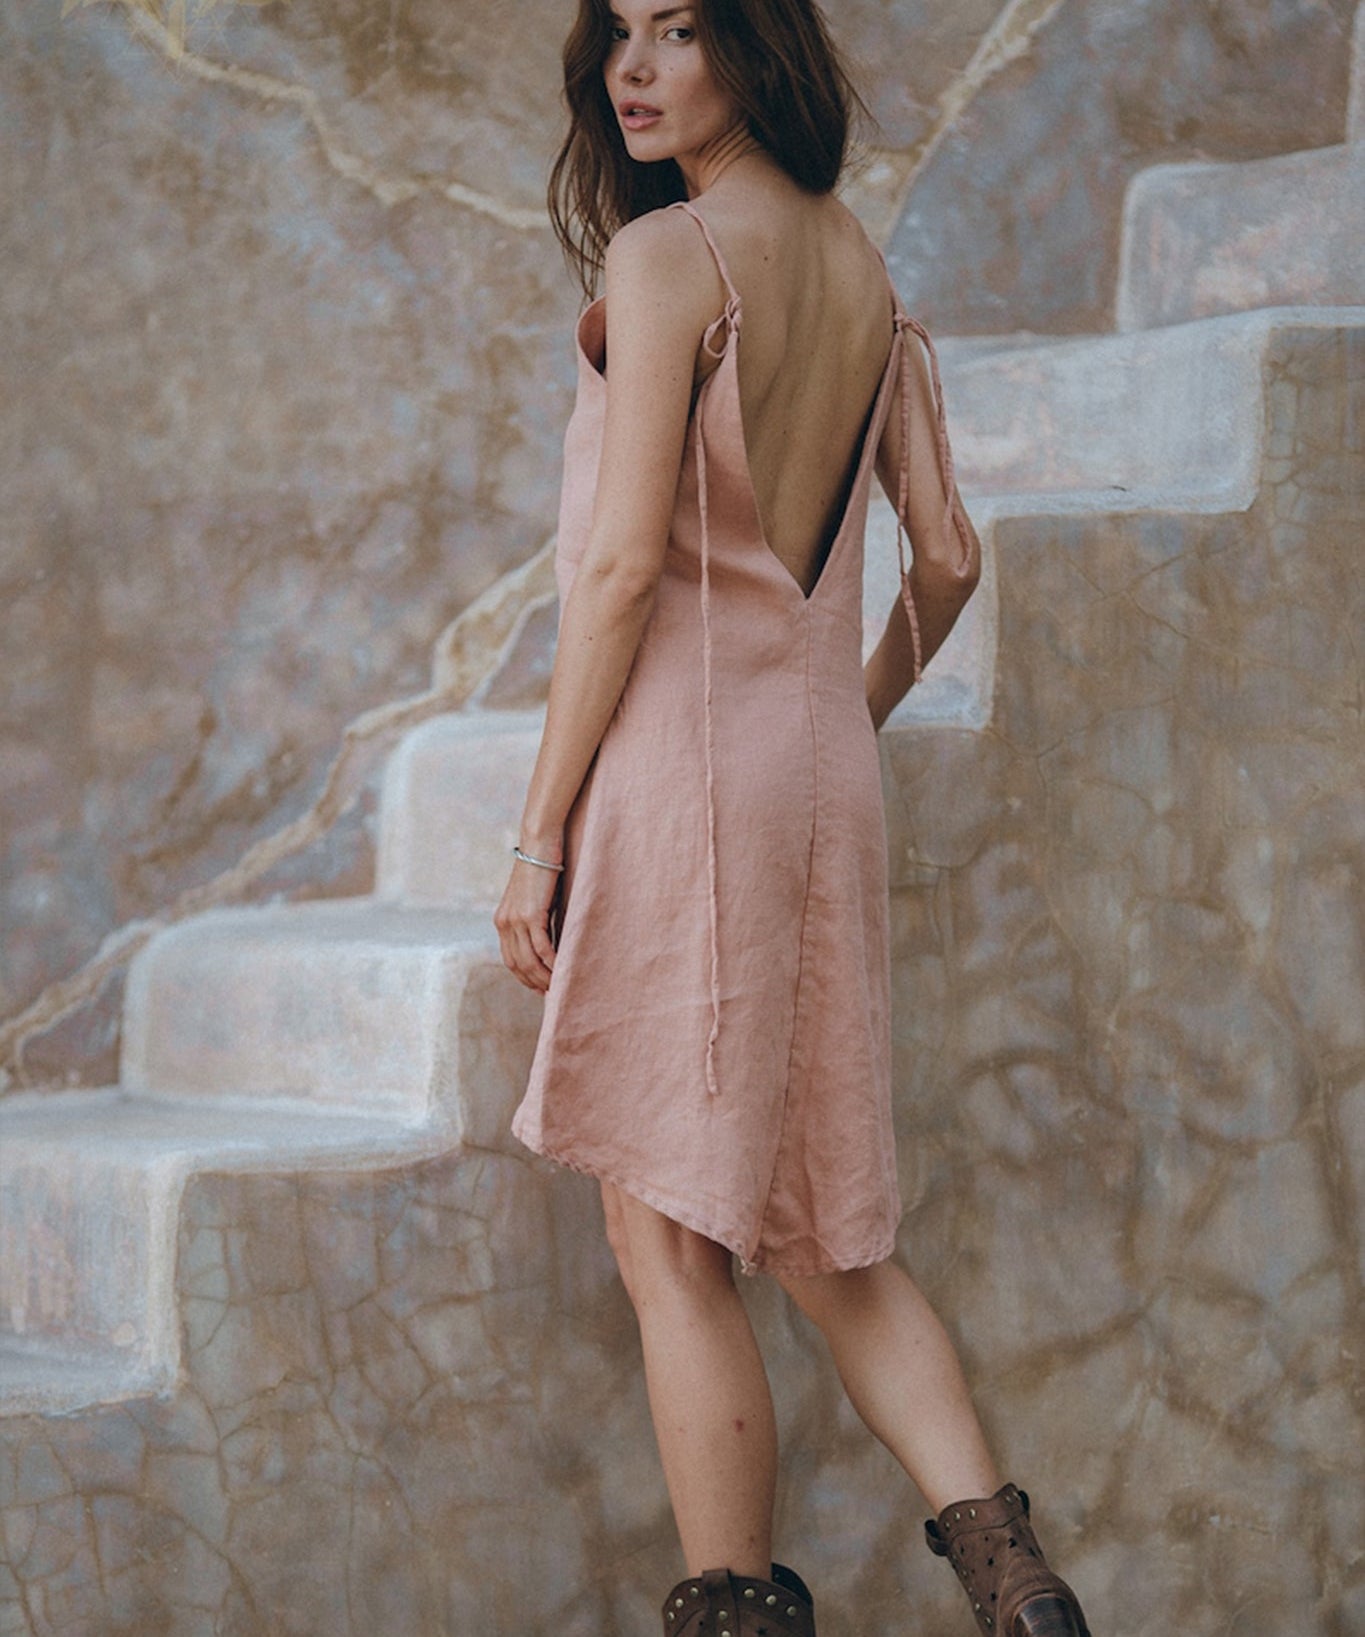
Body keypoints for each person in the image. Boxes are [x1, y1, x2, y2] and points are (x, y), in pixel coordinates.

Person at [495, 3, 1093, 1633]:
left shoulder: (673, 258)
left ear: (751, 50)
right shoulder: (862, 272)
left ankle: (734, 1613)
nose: (634, 67)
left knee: (671, 1240)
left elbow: (621, 573)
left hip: (682, 789)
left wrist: (539, 829)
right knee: (830, 1226)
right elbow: (950, 558)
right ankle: (1013, 1575)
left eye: (677, 30)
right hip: (820, 783)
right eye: (615, 31)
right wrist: (842, 712)